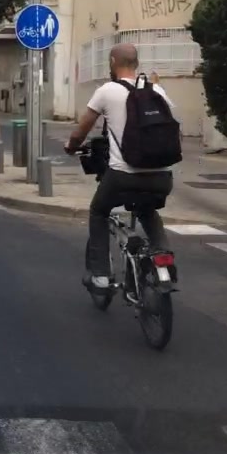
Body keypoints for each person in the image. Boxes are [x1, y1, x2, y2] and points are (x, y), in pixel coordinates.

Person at [64, 43, 175, 294]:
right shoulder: (157, 90)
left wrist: (71, 146)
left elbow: (82, 129)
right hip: (161, 176)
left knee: (98, 211)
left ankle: (101, 276)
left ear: (113, 62)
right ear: (136, 63)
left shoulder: (107, 91)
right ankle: (164, 255)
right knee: (147, 209)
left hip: (123, 175)